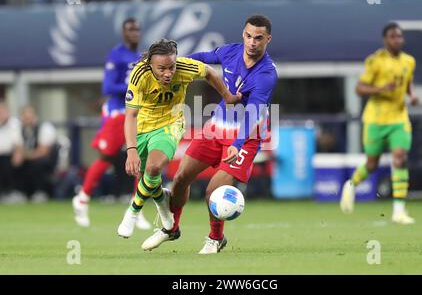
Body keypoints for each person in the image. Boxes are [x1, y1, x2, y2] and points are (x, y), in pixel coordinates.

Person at [140, 14, 278, 254]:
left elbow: (254, 113)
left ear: (268, 39)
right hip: (216, 128)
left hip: (245, 136)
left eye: (258, 38)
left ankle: (216, 238)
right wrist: (168, 64)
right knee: (181, 178)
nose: (252, 42)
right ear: (243, 34)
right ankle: (171, 228)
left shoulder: (266, 74)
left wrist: (237, 143)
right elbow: (201, 60)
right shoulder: (230, 52)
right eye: (248, 36)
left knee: (213, 191)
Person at [116, 38, 241, 243]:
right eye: (162, 68)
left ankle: (133, 211)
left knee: (154, 168)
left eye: (171, 67)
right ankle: (164, 207)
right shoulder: (139, 74)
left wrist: (227, 96)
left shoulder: (184, 67)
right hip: (142, 127)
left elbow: (209, 72)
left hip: (170, 125)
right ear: (150, 65)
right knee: (149, 177)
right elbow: (130, 115)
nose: (168, 73)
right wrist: (131, 150)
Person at [72, 18, 151, 229]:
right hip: (117, 112)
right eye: (130, 29)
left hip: (137, 112)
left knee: (142, 158)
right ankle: (82, 199)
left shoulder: (141, 56)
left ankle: (137, 208)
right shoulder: (116, 54)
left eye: (137, 29)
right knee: (106, 157)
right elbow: (108, 87)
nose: (134, 32)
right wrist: (133, 85)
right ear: (123, 33)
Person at [340, 22, 419, 224]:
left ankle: (399, 211)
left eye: (399, 37)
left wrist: (412, 95)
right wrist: (381, 89)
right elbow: (359, 89)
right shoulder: (375, 61)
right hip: (375, 119)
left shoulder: (409, 61)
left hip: (399, 118)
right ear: (385, 40)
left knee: (400, 157)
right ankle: (351, 184)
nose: (397, 40)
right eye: (393, 37)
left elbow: (407, 83)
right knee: (372, 163)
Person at [16, 105, 58, 201]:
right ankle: (17, 192)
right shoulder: (18, 129)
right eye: (24, 117)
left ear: (35, 116)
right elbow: (17, 147)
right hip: (27, 159)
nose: (27, 120)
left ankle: (40, 192)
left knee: (38, 163)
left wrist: (25, 156)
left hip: (44, 161)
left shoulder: (45, 128)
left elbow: (43, 151)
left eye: (29, 117)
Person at [0, 101, 23, 198]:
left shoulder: (14, 123)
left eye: (2, 111)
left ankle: (9, 192)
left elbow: (18, 143)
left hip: (8, 156)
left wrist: (18, 153)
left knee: (5, 161)